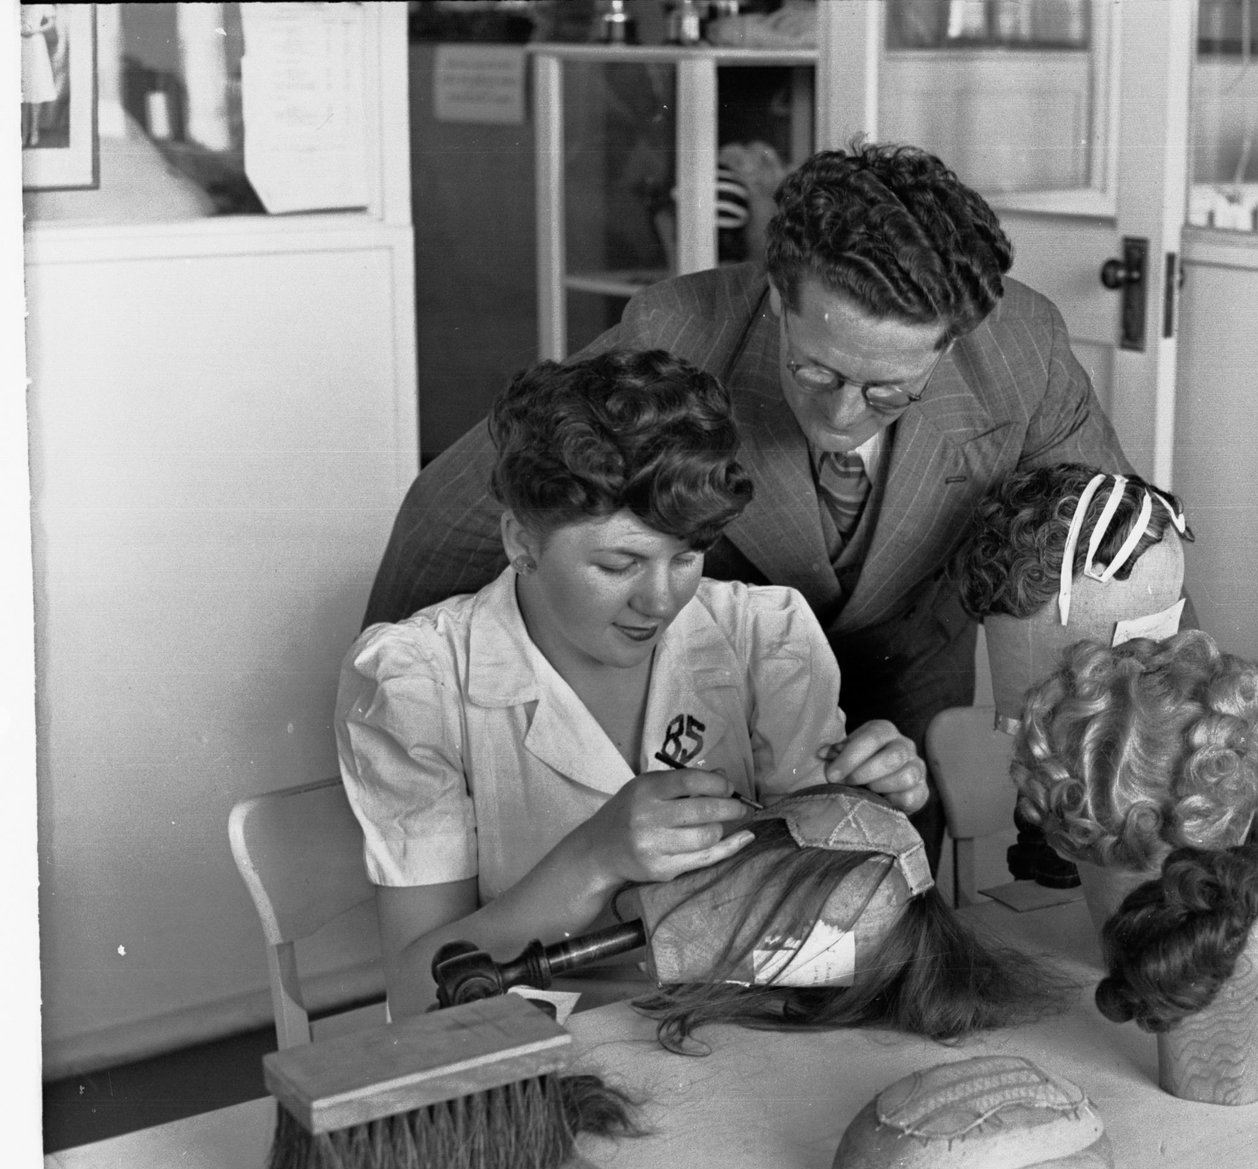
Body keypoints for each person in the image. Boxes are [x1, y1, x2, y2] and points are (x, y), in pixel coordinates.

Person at [364, 141, 1131, 863]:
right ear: (776, 298)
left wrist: (1147, 773)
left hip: (911, 651)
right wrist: (415, 710)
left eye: (888, 391)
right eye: (817, 373)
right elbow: (458, 510)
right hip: (727, 673)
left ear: (954, 342)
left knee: (890, 887)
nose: (842, 418)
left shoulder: (1022, 348)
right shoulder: (679, 330)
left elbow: (1124, 561)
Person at [337, 350, 927, 1021]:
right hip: (539, 1051)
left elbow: (815, 913)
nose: (661, 599)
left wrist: (868, 805)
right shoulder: (420, 682)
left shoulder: (763, 636)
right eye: (620, 563)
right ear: (521, 541)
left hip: (740, 1030)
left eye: (686, 556)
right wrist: (594, 857)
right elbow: (417, 992)